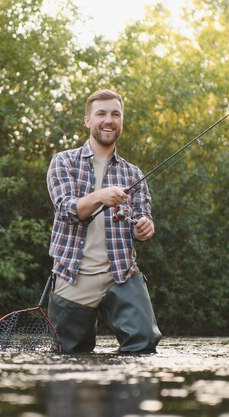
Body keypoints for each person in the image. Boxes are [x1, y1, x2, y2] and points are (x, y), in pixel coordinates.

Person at [46, 89, 162, 353]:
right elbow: (66, 210)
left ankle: (120, 393)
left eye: (115, 114)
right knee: (69, 358)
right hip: (73, 274)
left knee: (143, 344)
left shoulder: (133, 173)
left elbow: (141, 220)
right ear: (88, 120)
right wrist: (100, 196)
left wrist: (144, 227)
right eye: (101, 114)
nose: (108, 120)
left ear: (121, 121)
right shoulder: (63, 162)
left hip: (121, 273)